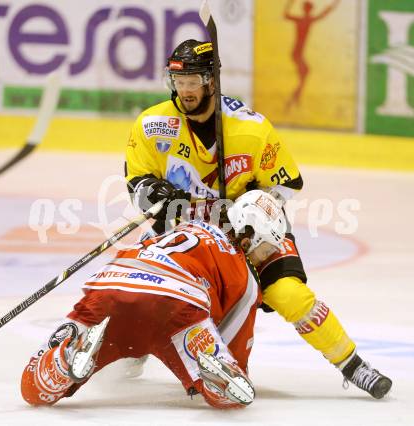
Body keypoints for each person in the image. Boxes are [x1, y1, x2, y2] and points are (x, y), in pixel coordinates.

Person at [124, 39, 393, 399]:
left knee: (288, 293)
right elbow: (136, 183)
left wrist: (254, 210)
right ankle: (134, 349)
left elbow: (287, 183)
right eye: (179, 82)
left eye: (193, 81)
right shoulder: (154, 125)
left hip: (251, 233)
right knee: (145, 288)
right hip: (186, 232)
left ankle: (352, 364)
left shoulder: (250, 129)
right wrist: (153, 193)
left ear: (211, 82)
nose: (185, 91)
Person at [21, 190, 288, 409]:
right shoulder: (247, 277)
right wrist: (230, 365)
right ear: (249, 238)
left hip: (111, 284)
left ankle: (63, 359)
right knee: (232, 396)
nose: (265, 258)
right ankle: (213, 375)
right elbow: (236, 345)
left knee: (32, 389)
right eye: (266, 249)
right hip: (175, 307)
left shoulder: (185, 227)